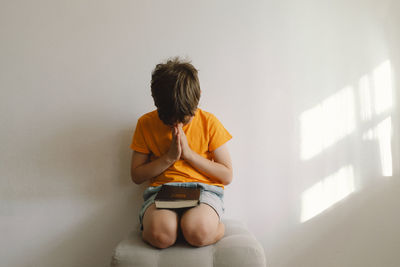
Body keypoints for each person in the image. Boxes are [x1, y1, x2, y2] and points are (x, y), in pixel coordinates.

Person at [130, 57, 233, 249]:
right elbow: (136, 175)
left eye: (185, 119)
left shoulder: (209, 122)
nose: (177, 124)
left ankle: (216, 228)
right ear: (156, 103)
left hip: (203, 191)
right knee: (160, 235)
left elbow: (227, 175)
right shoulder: (145, 123)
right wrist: (169, 157)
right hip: (162, 191)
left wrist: (189, 155)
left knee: (198, 232)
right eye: (169, 120)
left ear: (198, 97)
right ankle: (175, 228)